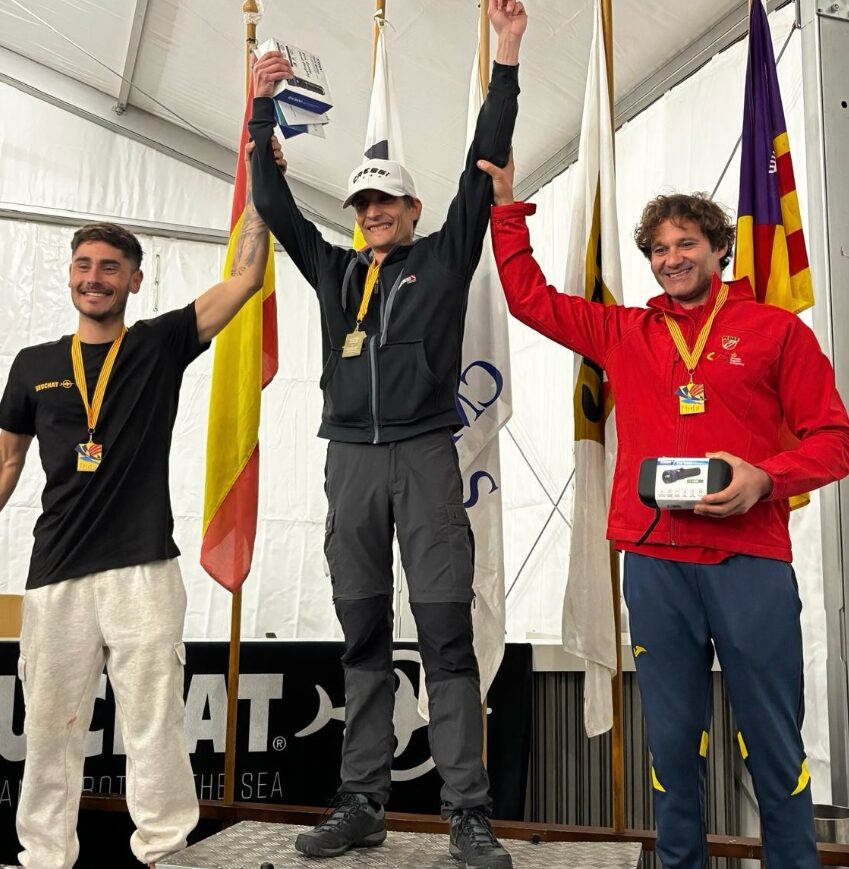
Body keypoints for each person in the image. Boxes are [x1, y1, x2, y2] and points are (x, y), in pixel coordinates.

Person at [479, 154, 849, 868]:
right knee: (673, 746)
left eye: (686, 243)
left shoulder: (775, 331)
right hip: (654, 561)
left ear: (718, 248)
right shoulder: (625, 331)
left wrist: (764, 478)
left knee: (773, 742)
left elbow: (834, 440)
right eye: (657, 248)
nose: (671, 258)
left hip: (748, 560)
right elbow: (529, 299)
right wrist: (505, 209)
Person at [248, 2, 525, 866]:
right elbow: (272, 203)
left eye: (386, 201)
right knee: (363, 638)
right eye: (362, 202)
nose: (372, 212)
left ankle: (467, 812)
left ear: (411, 208)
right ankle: (361, 801)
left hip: (425, 456)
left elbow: (483, 163)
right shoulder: (332, 269)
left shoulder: (442, 257)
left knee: (444, 638)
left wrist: (506, 55)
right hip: (351, 464)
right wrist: (260, 111)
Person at [0, 146, 270, 869]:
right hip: (56, 573)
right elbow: (6, 462)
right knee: (50, 730)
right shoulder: (32, 365)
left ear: (135, 279)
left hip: (143, 569)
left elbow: (244, 279)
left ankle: (163, 851)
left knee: (153, 721)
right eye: (84, 265)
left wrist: (260, 176)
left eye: (110, 267)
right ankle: (44, 856)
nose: (95, 277)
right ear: (70, 275)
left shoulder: (157, 344)